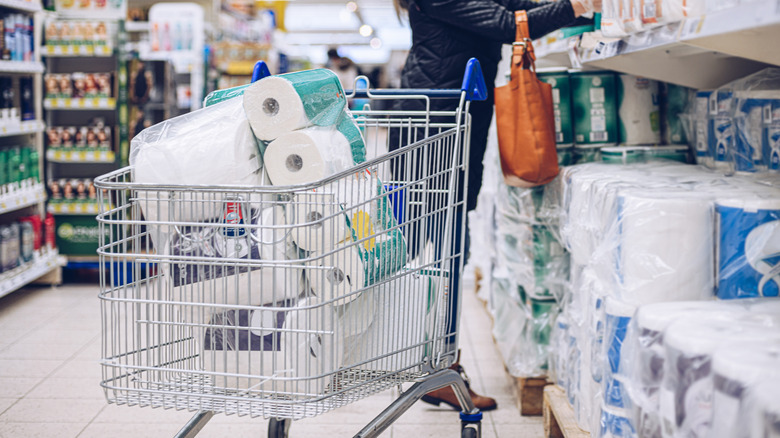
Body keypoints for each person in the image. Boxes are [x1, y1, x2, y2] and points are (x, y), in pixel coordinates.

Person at [391, 0, 601, 412]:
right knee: (422, 250)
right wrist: (574, 6)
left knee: (450, 250)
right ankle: (425, 363)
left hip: (456, 123)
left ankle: (441, 367)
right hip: (433, 128)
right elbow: (507, 23)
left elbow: (514, 4)